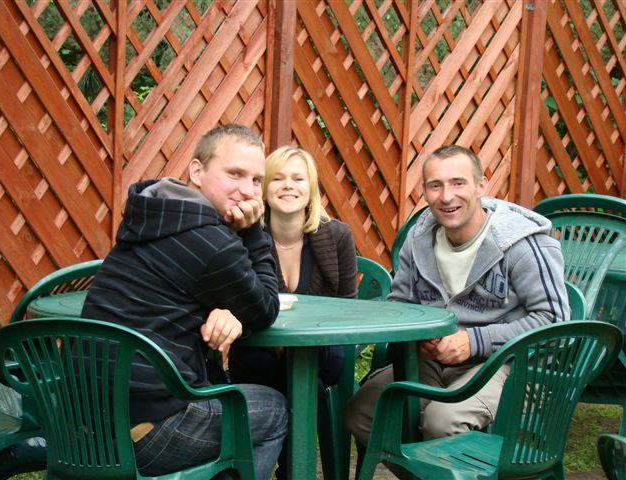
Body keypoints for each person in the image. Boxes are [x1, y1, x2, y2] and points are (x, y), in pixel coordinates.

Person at [81, 124, 288, 479]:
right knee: (274, 410)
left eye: (257, 180)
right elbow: (266, 307)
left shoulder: (154, 214)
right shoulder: (211, 243)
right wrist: (254, 230)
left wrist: (227, 310)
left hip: (83, 422)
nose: (248, 191)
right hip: (146, 432)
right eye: (235, 174)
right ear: (196, 171)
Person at [344, 145, 569, 449]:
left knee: (442, 422)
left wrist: (475, 341)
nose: (447, 196)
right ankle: (426, 467)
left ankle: (451, 463)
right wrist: (417, 337)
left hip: (506, 365)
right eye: (435, 185)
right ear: (424, 192)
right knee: (362, 412)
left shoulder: (523, 244)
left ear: (481, 185)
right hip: (432, 362)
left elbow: (554, 323)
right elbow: (399, 304)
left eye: (458, 183)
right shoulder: (418, 239)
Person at [228, 145, 357, 478]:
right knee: (299, 383)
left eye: (298, 179)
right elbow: (234, 303)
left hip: (321, 348)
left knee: (306, 372)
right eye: (278, 178)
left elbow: (349, 308)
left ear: (311, 188)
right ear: (264, 189)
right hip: (259, 347)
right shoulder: (243, 238)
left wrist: (302, 341)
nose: (288, 185)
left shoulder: (338, 236)